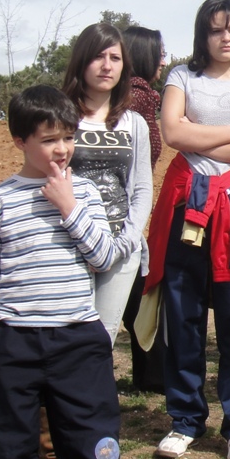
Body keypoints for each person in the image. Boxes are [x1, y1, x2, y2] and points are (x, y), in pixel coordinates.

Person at [0, 85, 139, 459]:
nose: (62, 149)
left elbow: (103, 257)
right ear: (20, 142)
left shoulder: (84, 194)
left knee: (95, 451)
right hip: (14, 344)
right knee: (9, 456)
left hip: (77, 341)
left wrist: (68, 208)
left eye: (68, 136)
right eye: (48, 140)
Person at [141, 0, 230, 459]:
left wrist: (215, 136)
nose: (226, 38)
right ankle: (184, 420)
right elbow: (174, 135)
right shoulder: (181, 77)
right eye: (217, 29)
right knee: (182, 321)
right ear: (202, 35)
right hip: (187, 210)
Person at [62, 23, 153, 347]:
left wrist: (128, 239)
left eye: (115, 58)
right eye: (98, 56)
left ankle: (85, 398)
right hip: (67, 244)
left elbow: (142, 187)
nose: (106, 65)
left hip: (119, 247)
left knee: (100, 339)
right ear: (82, 61)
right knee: (65, 335)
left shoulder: (134, 123)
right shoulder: (61, 117)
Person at [120, 24, 167, 394]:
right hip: (123, 212)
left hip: (128, 209)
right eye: (160, 53)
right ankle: (153, 373)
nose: (164, 60)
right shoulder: (139, 99)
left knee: (137, 291)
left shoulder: (135, 97)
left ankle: (149, 373)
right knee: (136, 292)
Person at [122, 25, 166, 170]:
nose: (163, 63)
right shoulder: (135, 97)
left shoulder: (136, 94)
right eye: (160, 56)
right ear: (144, 56)